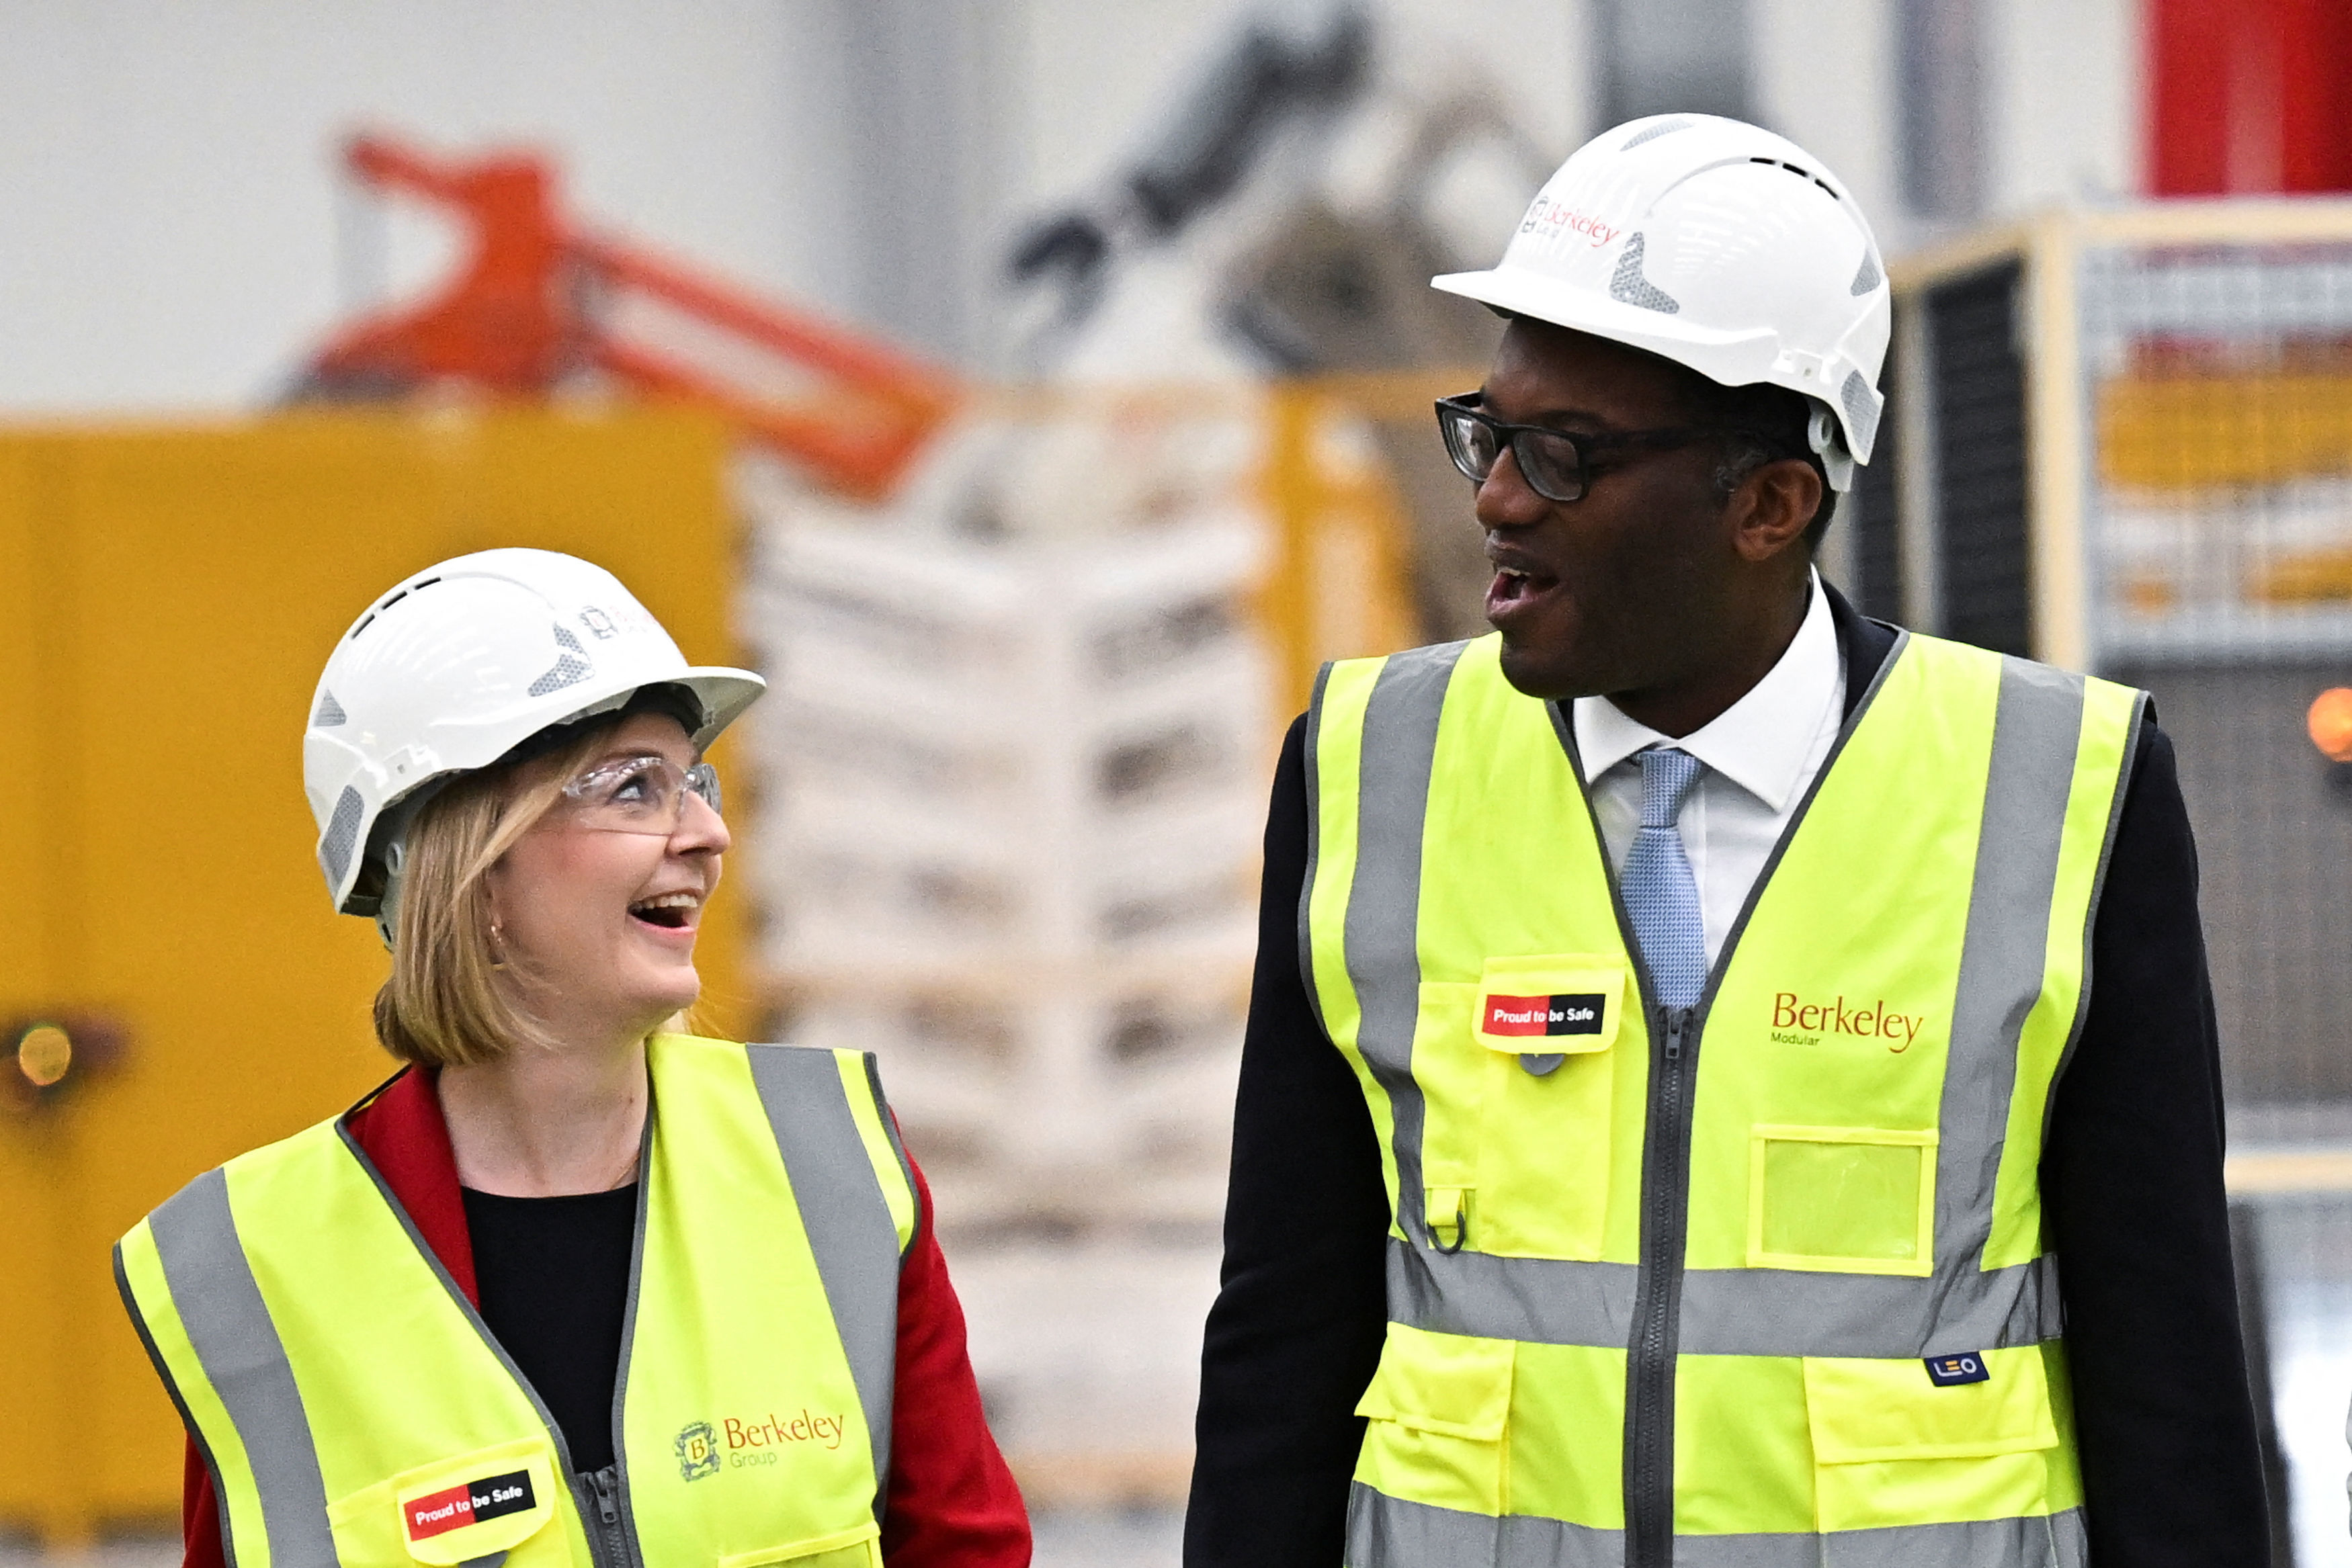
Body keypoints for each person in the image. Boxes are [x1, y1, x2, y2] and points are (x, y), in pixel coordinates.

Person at [1185, 116, 2269, 1567]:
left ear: (1770, 504)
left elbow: (2168, 1376)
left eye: (1562, 455)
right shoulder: (1371, 768)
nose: (1496, 497)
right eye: (1488, 434)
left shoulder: (2058, 793)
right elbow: (1284, 1334)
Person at [117, 548, 1030, 1568]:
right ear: (474, 861)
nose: (710, 833)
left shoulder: (833, 1168)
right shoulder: (255, 1268)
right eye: (636, 787)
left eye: (696, 781)